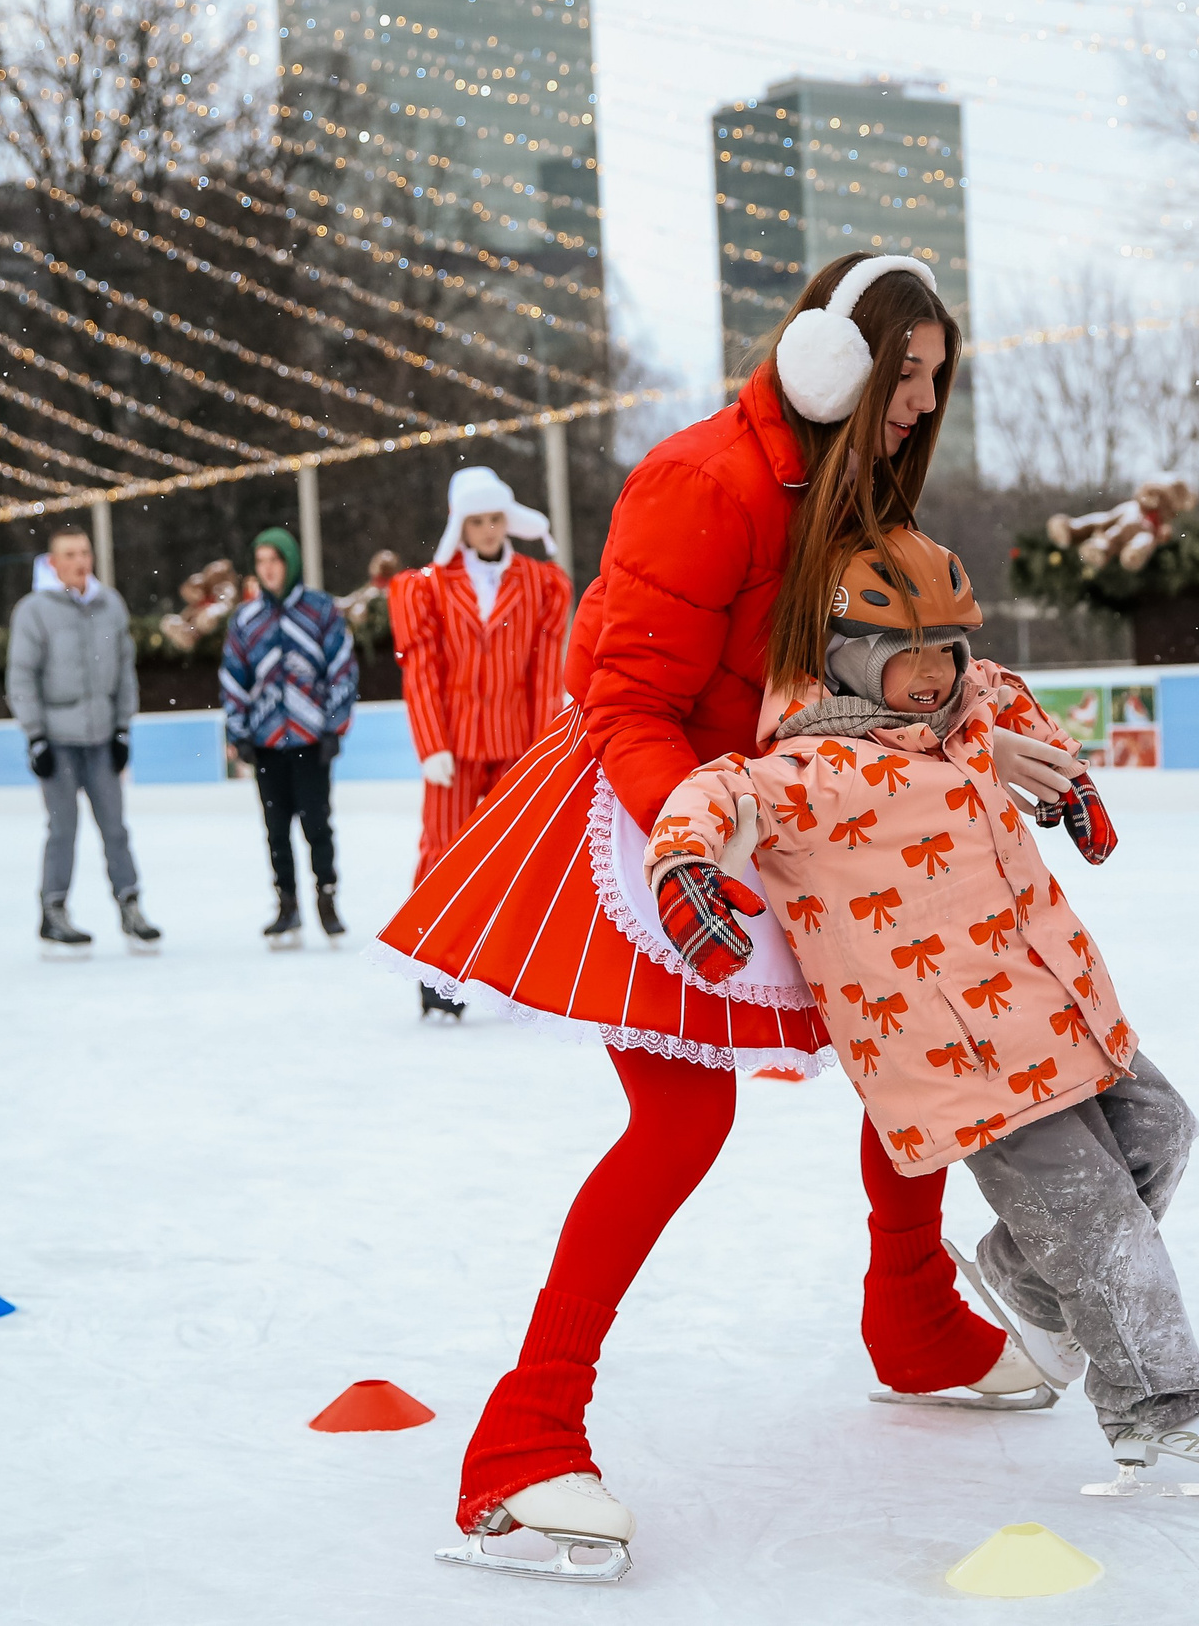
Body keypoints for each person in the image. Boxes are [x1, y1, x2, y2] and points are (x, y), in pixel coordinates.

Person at [377, 253, 1082, 1583]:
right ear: (828, 357)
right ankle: (521, 1443)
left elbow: (879, 670)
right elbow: (626, 694)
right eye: (903, 372)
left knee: (908, 1048)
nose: (922, 402)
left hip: (789, 819)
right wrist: (698, 851)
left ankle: (916, 1315)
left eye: (939, 377)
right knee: (680, 1115)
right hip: (656, 833)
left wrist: (995, 730)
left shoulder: (855, 495)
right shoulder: (705, 479)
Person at [646, 529, 1199, 1498]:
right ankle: (1162, 1409)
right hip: (954, 1047)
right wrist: (685, 871)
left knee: (1161, 1128)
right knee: (1093, 1214)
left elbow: (1003, 688)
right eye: (910, 654)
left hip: (1061, 1007)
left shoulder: (972, 715)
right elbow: (709, 794)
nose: (934, 673)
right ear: (846, 653)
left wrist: (1072, 779)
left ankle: (1022, 1280)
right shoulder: (802, 776)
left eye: (945, 649)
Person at [387, 467, 573, 1017]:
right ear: (460, 526)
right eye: (477, 521)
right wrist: (431, 743)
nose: (489, 531)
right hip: (455, 743)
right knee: (441, 853)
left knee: (519, 855)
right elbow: (422, 668)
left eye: (495, 519)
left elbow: (544, 670)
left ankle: (514, 965)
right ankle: (433, 965)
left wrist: (544, 747)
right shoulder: (427, 587)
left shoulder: (542, 583)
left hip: (517, 741)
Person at [7, 526, 160, 954]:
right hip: (56, 738)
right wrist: (35, 735)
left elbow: (126, 671)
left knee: (115, 827)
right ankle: (53, 910)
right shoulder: (34, 611)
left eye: (85, 552)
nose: (80, 561)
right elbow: (21, 676)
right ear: (53, 564)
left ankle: (131, 905)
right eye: (70, 554)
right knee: (63, 828)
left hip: (101, 738)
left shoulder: (109, 605)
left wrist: (123, 728)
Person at [222, 526, 359, 947]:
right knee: (275, 827)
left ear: (290, 562)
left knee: (318, 824)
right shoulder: (246, 620)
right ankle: (287, 905)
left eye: (274, 560)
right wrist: (239, 731)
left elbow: (341, 668)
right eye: (260, 562)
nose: (268, 570)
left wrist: (334, 726)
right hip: (266, 741)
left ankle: (327, 899)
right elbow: (233, 678)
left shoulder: (320, 611)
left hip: (310, 739)